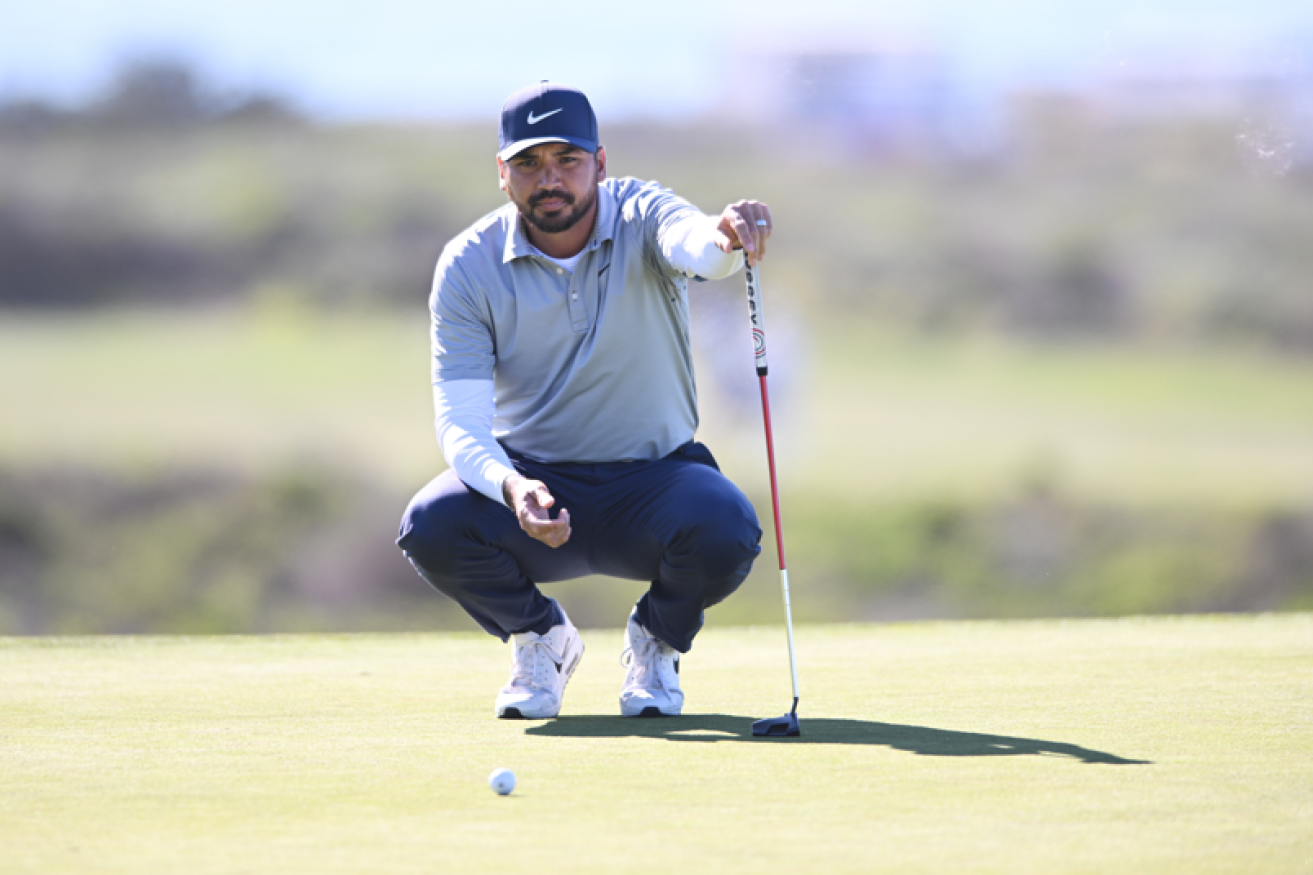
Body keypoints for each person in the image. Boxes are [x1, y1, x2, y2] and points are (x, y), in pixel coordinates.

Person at [397, 81, 773, 720]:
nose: (549, 179)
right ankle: (541, 637)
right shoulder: (467, 264)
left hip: (655, 483)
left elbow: (698, 250)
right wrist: (512, 488)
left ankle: (656, 639)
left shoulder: (641, 211)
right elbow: (460, 425)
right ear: (502, 173)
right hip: (536, 492)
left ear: (600, 163)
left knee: (726, 525)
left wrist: (725, 237)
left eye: (566, 159)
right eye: (528, 163)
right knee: (430, 524)